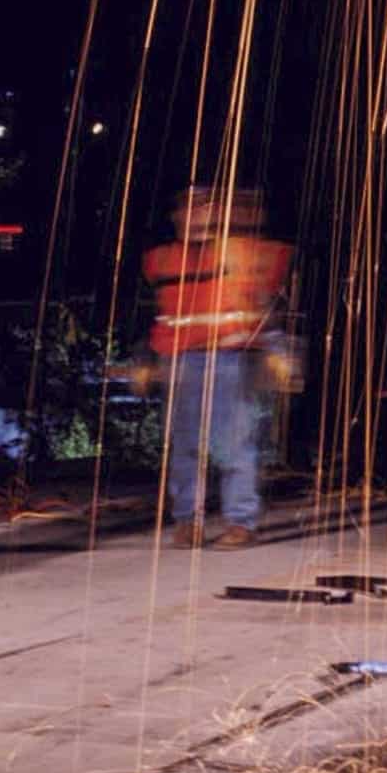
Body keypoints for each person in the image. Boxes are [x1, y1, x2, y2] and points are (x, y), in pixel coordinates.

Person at [143, 185, 291, 549]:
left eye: (205, 207)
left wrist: (274, 348)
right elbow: (158, 310)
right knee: (184, 445)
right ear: (177, 216)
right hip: (181, 359)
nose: (197, 215)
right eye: (191, 208)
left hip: (229, 358)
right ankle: (187, 521)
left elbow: (263, 300)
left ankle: (240, 521)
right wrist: (147, 359)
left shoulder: (239, 253)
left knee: (235, 443)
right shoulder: (163, 259)